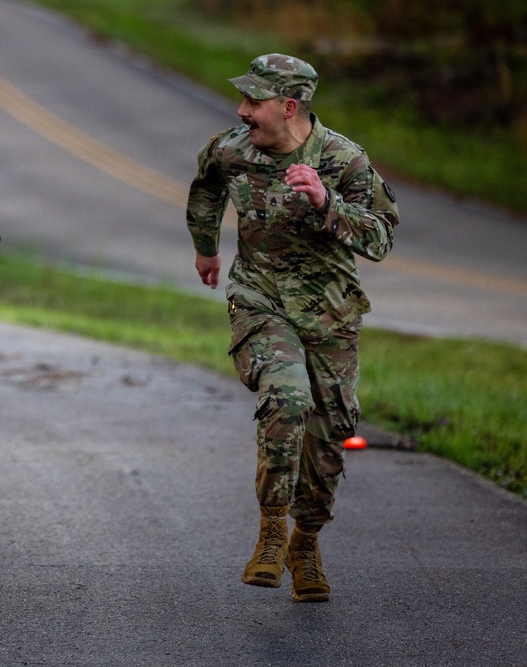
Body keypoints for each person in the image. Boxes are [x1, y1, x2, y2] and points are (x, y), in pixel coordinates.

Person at [185, 54, 399, 601]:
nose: (241, 111)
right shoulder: (232, 149)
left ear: (289, 106)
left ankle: (305, 542)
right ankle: (272, 529)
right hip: (259, 300)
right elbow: (206, 185)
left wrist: (328, 203)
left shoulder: (342, 159)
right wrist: (206, 247)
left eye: (253, 102)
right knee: (288, 397)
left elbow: (379, 238)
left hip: (330, 314)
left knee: (329, 439)